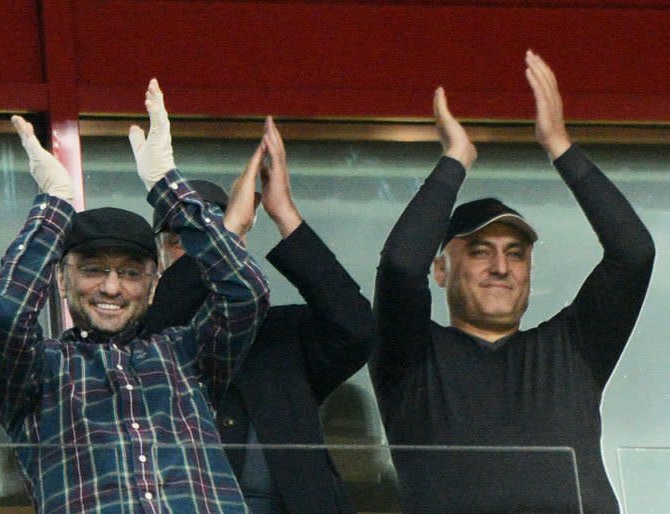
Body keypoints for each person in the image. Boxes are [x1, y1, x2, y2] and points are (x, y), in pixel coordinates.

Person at [371, 51, 655, 513]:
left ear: (529, 271)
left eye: (515, 253)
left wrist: (559, 144)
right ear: (440, 270)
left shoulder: (572, 348)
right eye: (480, 251)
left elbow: (634, 252)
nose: (501, 266)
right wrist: (456, 159)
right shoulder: (411, 359)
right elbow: (402, 267)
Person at [0, 79, 269, 513]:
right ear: (61, 280)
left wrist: (168, 188)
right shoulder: (39, 372)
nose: (112, 287)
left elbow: (246, 294)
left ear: (154, 285)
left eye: (131, 273)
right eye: (93, 270)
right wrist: (55, 206)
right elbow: (4, 321)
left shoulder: (186, 354)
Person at [138, 116, 375, 513]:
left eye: (220, 234)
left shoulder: (281, 336)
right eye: (181, 241)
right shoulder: (143, 345)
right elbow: (165, 315)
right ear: (159, 261)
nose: (202, 248)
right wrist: (223, 235)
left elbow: (356, 330)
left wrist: (284, 213)